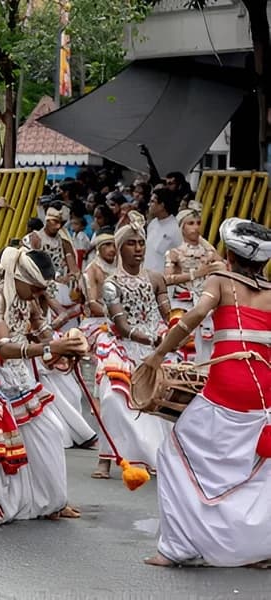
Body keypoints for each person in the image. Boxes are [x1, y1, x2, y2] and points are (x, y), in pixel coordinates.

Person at [143, 218, 270, 568]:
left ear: (229, 253)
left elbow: (194, 316)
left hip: (227, 387)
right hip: (263, 397)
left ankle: (175, 549)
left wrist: (157, 356)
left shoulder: (221, 279)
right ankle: (259, 549)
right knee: (256, 470)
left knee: (173, 450)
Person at [0, 247, 86, 532]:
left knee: (52, 429)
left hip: (14, 375)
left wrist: (69, 346)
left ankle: (52, 501)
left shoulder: (29, 299)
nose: (38, 294)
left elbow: (45, 336)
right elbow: (4, 348)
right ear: (18, 278)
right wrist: (50, 347)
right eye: (34, 287)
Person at [91, 212, 172, 479]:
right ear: (119, 247)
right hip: (122, 347)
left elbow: (167, 316)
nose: (138, 249)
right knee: (113, 400)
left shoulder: (156, 278)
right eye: (131, 243)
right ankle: (107, 458)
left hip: (155, 348)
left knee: (162, 401)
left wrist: (175, 330)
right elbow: (123, 327)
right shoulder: (111, 284)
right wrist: (154, 339)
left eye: (141, 243)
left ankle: (156, 455)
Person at [164, 204, 225, 362]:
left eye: (198, 223)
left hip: (206, 303)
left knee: (207, 345)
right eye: (190, 223)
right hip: (183, 303)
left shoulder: (209, 252)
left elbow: (225, 268)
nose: (195, 227)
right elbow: (167, 279)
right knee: (182, 342)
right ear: (181, 227)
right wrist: (196, 274)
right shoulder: (174, 253)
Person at [144, 188, 182, 274]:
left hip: (164, 280)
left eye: (152, 201)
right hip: (146, 276)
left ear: (162, 205)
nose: (149, 204)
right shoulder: (153, 223)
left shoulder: (176, 228)